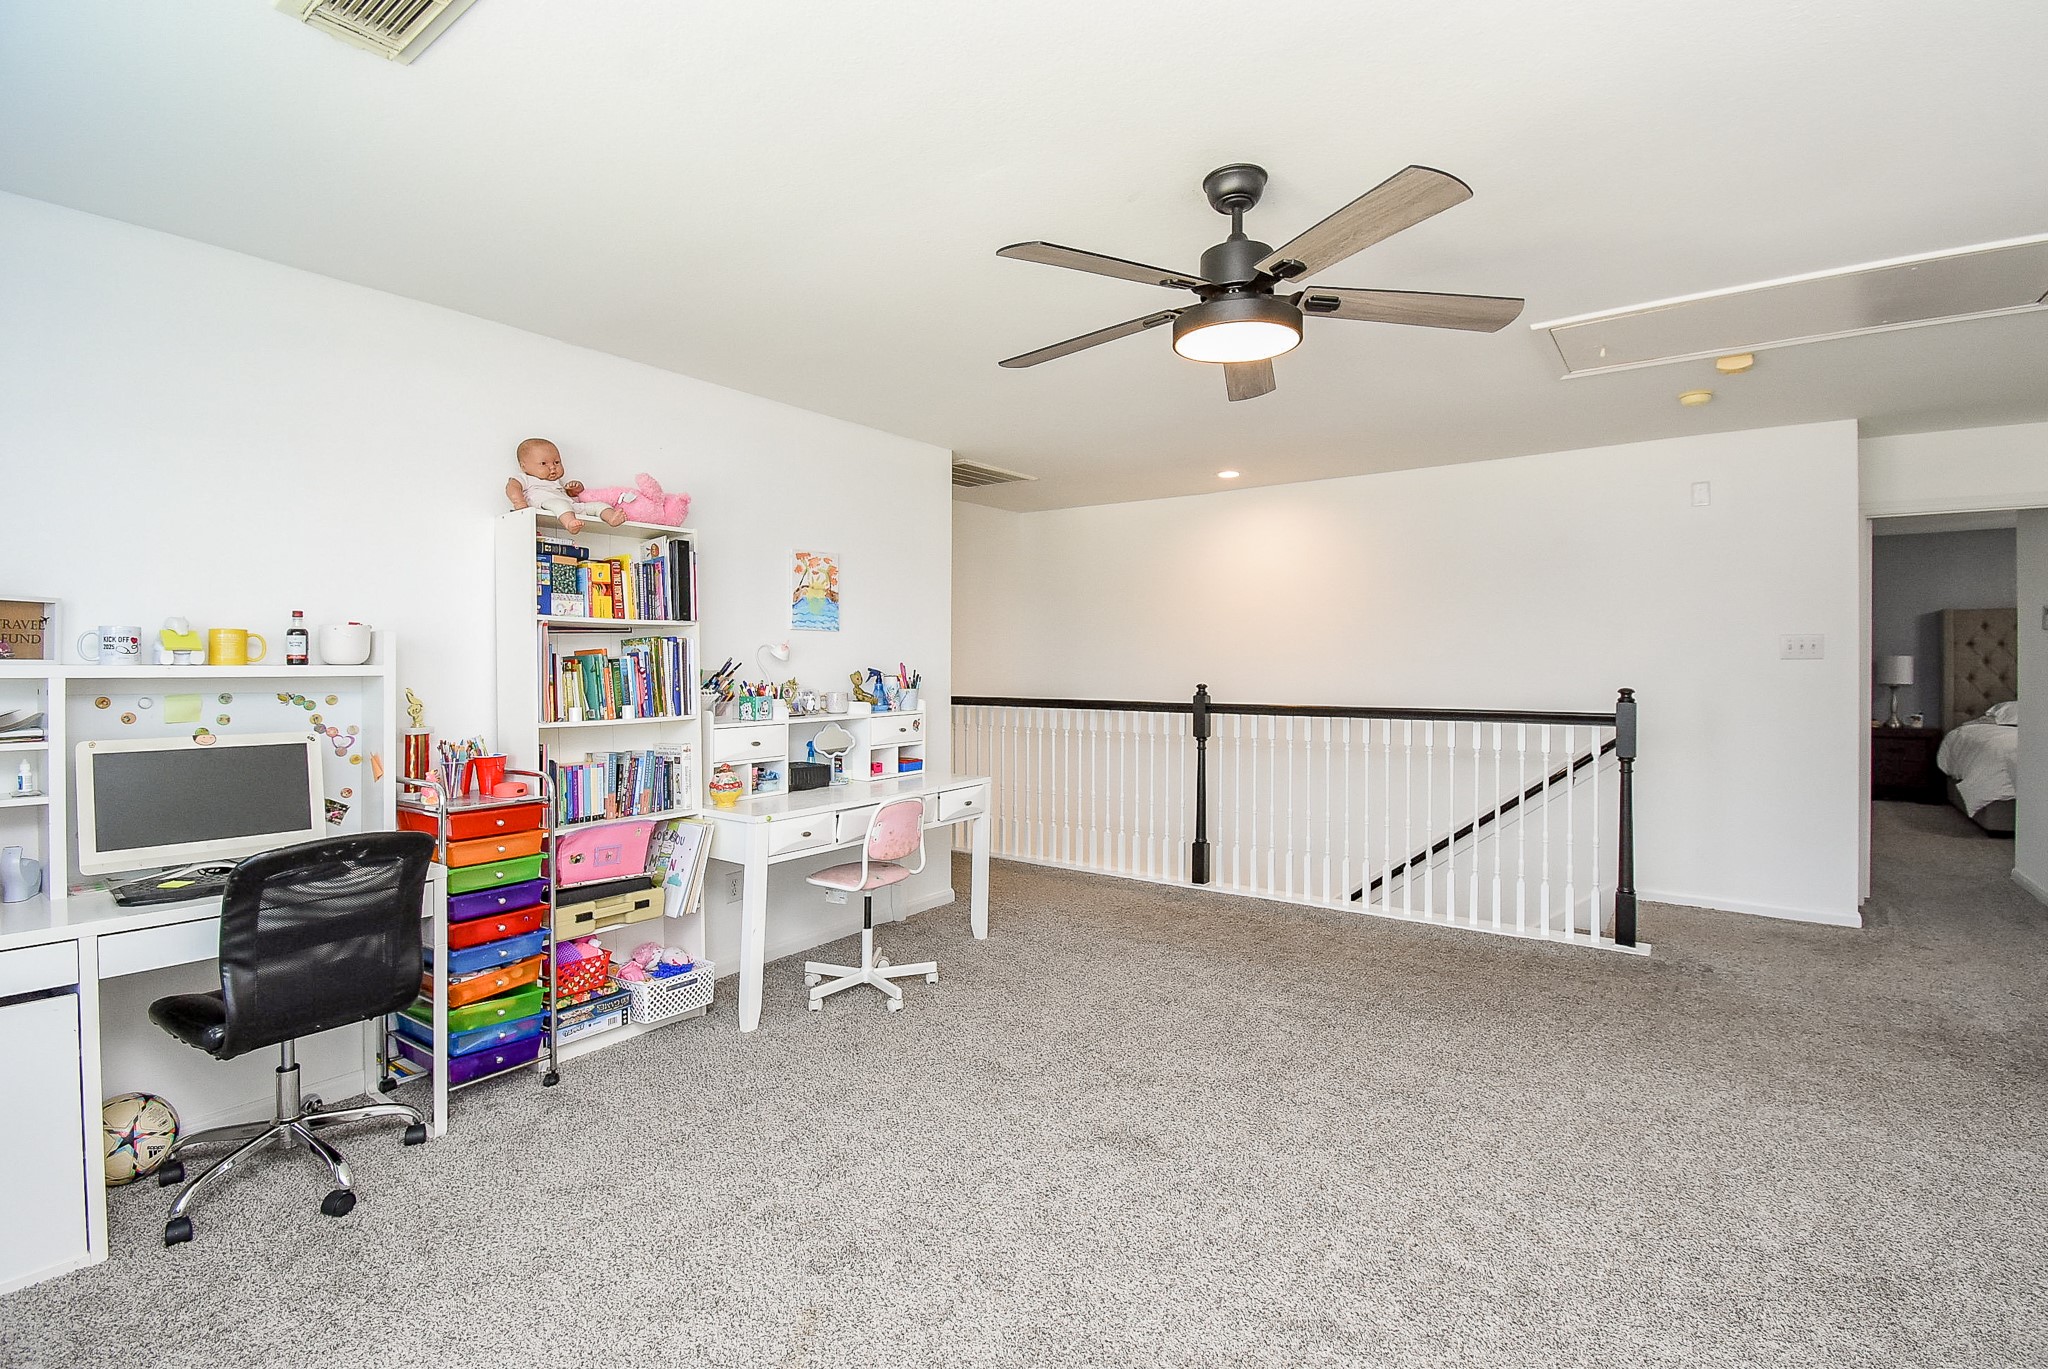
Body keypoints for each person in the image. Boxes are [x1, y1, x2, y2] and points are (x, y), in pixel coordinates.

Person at [505, 437, 627, 533]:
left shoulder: (556, 482)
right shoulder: (525, 478)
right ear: (524, 466)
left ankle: (611, 518)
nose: (552, 467)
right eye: (543, 463)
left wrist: (574, 490)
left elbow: (568, 495)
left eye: (556, 462)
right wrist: (520, 504)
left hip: (571, 506)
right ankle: (569, 524)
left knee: (598, 505)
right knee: (560, 504)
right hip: (547, 504)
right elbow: (512, 487)